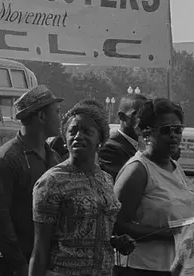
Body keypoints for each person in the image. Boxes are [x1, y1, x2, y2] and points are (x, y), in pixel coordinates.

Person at [30, 100, 134, 276]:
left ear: (100, 140)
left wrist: (115, 241)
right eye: (73, 131)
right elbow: (40, 249)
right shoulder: (51, 182)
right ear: (65, 139)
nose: (78, 136)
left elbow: (93, 228)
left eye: (87, 132)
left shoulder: (105, 179)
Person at [113, 98, 194, 276]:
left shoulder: (174, 166)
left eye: (178, 129)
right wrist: (171, 233)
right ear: (146, 133)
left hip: (180, 267)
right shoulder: (137, 170)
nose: (174, 135)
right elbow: (117, 224)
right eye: (166, 130)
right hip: (144, 268)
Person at [0, 85, 63, 276]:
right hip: (16, 267)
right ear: (42, 117)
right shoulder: (5, 160)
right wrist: (20, 265)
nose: (61, 118)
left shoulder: (54, 157)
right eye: (57, 112)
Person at [99, 94, 148, 179]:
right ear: (122, 116)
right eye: (138, 115)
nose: (144, 120)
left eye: (147, 115)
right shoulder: (110, 149)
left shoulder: (144, 144)